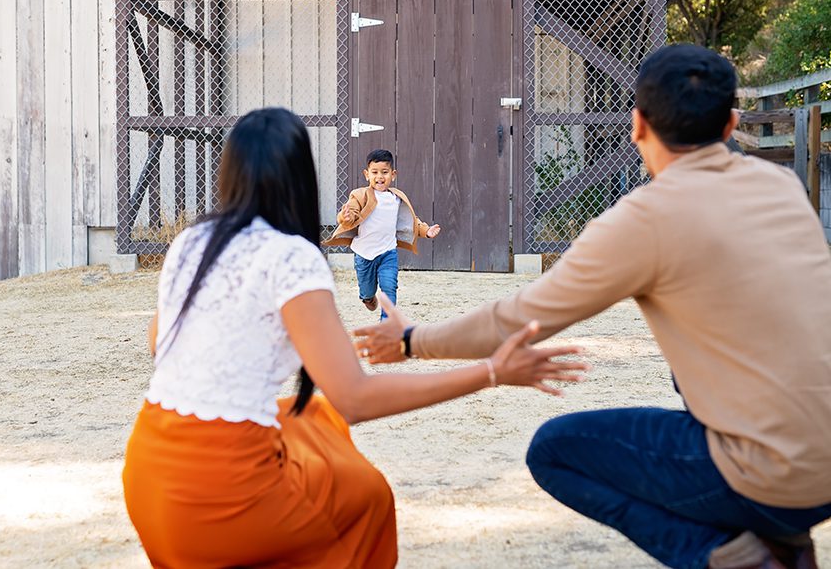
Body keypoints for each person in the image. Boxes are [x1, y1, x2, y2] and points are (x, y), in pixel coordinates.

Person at [353, 45, 831, 569]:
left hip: (772, 475)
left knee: (555, 452)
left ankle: (733, 557)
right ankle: (785, 542)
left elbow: (518, 319)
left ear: (638, 125)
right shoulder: (782, 186)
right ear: (731, 124)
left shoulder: (646, 219)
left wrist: (411, 340)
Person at [121, 108, 587, 569]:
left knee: (315, 419)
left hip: (147, 470)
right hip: (220, 495)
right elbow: (356, 398)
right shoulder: (292, 257)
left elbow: (159, 343)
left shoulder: (193, 241)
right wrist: (491, 371)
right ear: (301, 177)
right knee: (368, 496)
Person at [323, 149, 441, 319]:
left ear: (393, 175)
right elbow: (351, 213)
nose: (380, 177)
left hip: (388, 253)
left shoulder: (397, 198)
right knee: (367, 291)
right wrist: (345, 216)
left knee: (389, 286)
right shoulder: (360, 195)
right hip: (364, 254)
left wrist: (426, 231)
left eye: (384, 172)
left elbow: (409, 220)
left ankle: (387, 322)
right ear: (367, 174)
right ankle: (368, 298)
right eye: (375, 172)